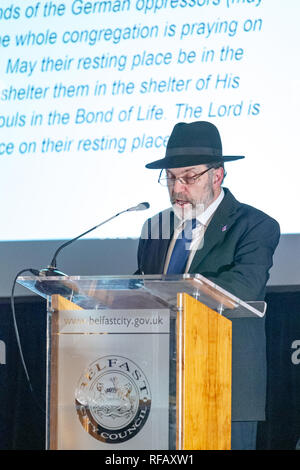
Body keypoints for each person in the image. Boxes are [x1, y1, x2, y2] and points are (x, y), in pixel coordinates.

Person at [136, 121, 280, 450]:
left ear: (217, 175)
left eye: (188, 177)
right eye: (171, 178)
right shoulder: (155, 226)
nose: (177, 189)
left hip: (224, 387)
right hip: (160, 389)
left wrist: (169, 293)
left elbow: (244, 286)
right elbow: (143, 286)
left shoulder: (255, 225)